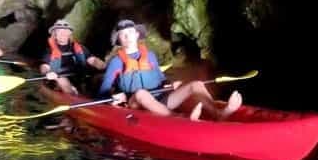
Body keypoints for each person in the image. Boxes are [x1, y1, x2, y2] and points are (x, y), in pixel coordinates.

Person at [99, 19, 242, 121]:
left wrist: (170, 84)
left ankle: (217, 113)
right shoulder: (116, 62)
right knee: (141, 93)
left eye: (130, 32)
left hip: (160, 100)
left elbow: (161, 79)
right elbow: (103, 92)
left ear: (137, 34)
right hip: (135, 104)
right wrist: (115, 96)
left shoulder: (150, 56)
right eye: (123, 34)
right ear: (119, 40)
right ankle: (179, 118)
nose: (128, 36)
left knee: (196, 84)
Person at [39, 19, 106, 95]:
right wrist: (47, 72)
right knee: (61, 80)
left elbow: (92, 60)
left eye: (65, 31)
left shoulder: (79, 47)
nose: (62, 33)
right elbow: (44, 66)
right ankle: (73, 95)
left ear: (69, 33)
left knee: (102, 77)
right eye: (59, 31)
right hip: (59, 79)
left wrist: (103, 66)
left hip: (79, 78)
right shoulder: (49, 50)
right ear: (54, 34)